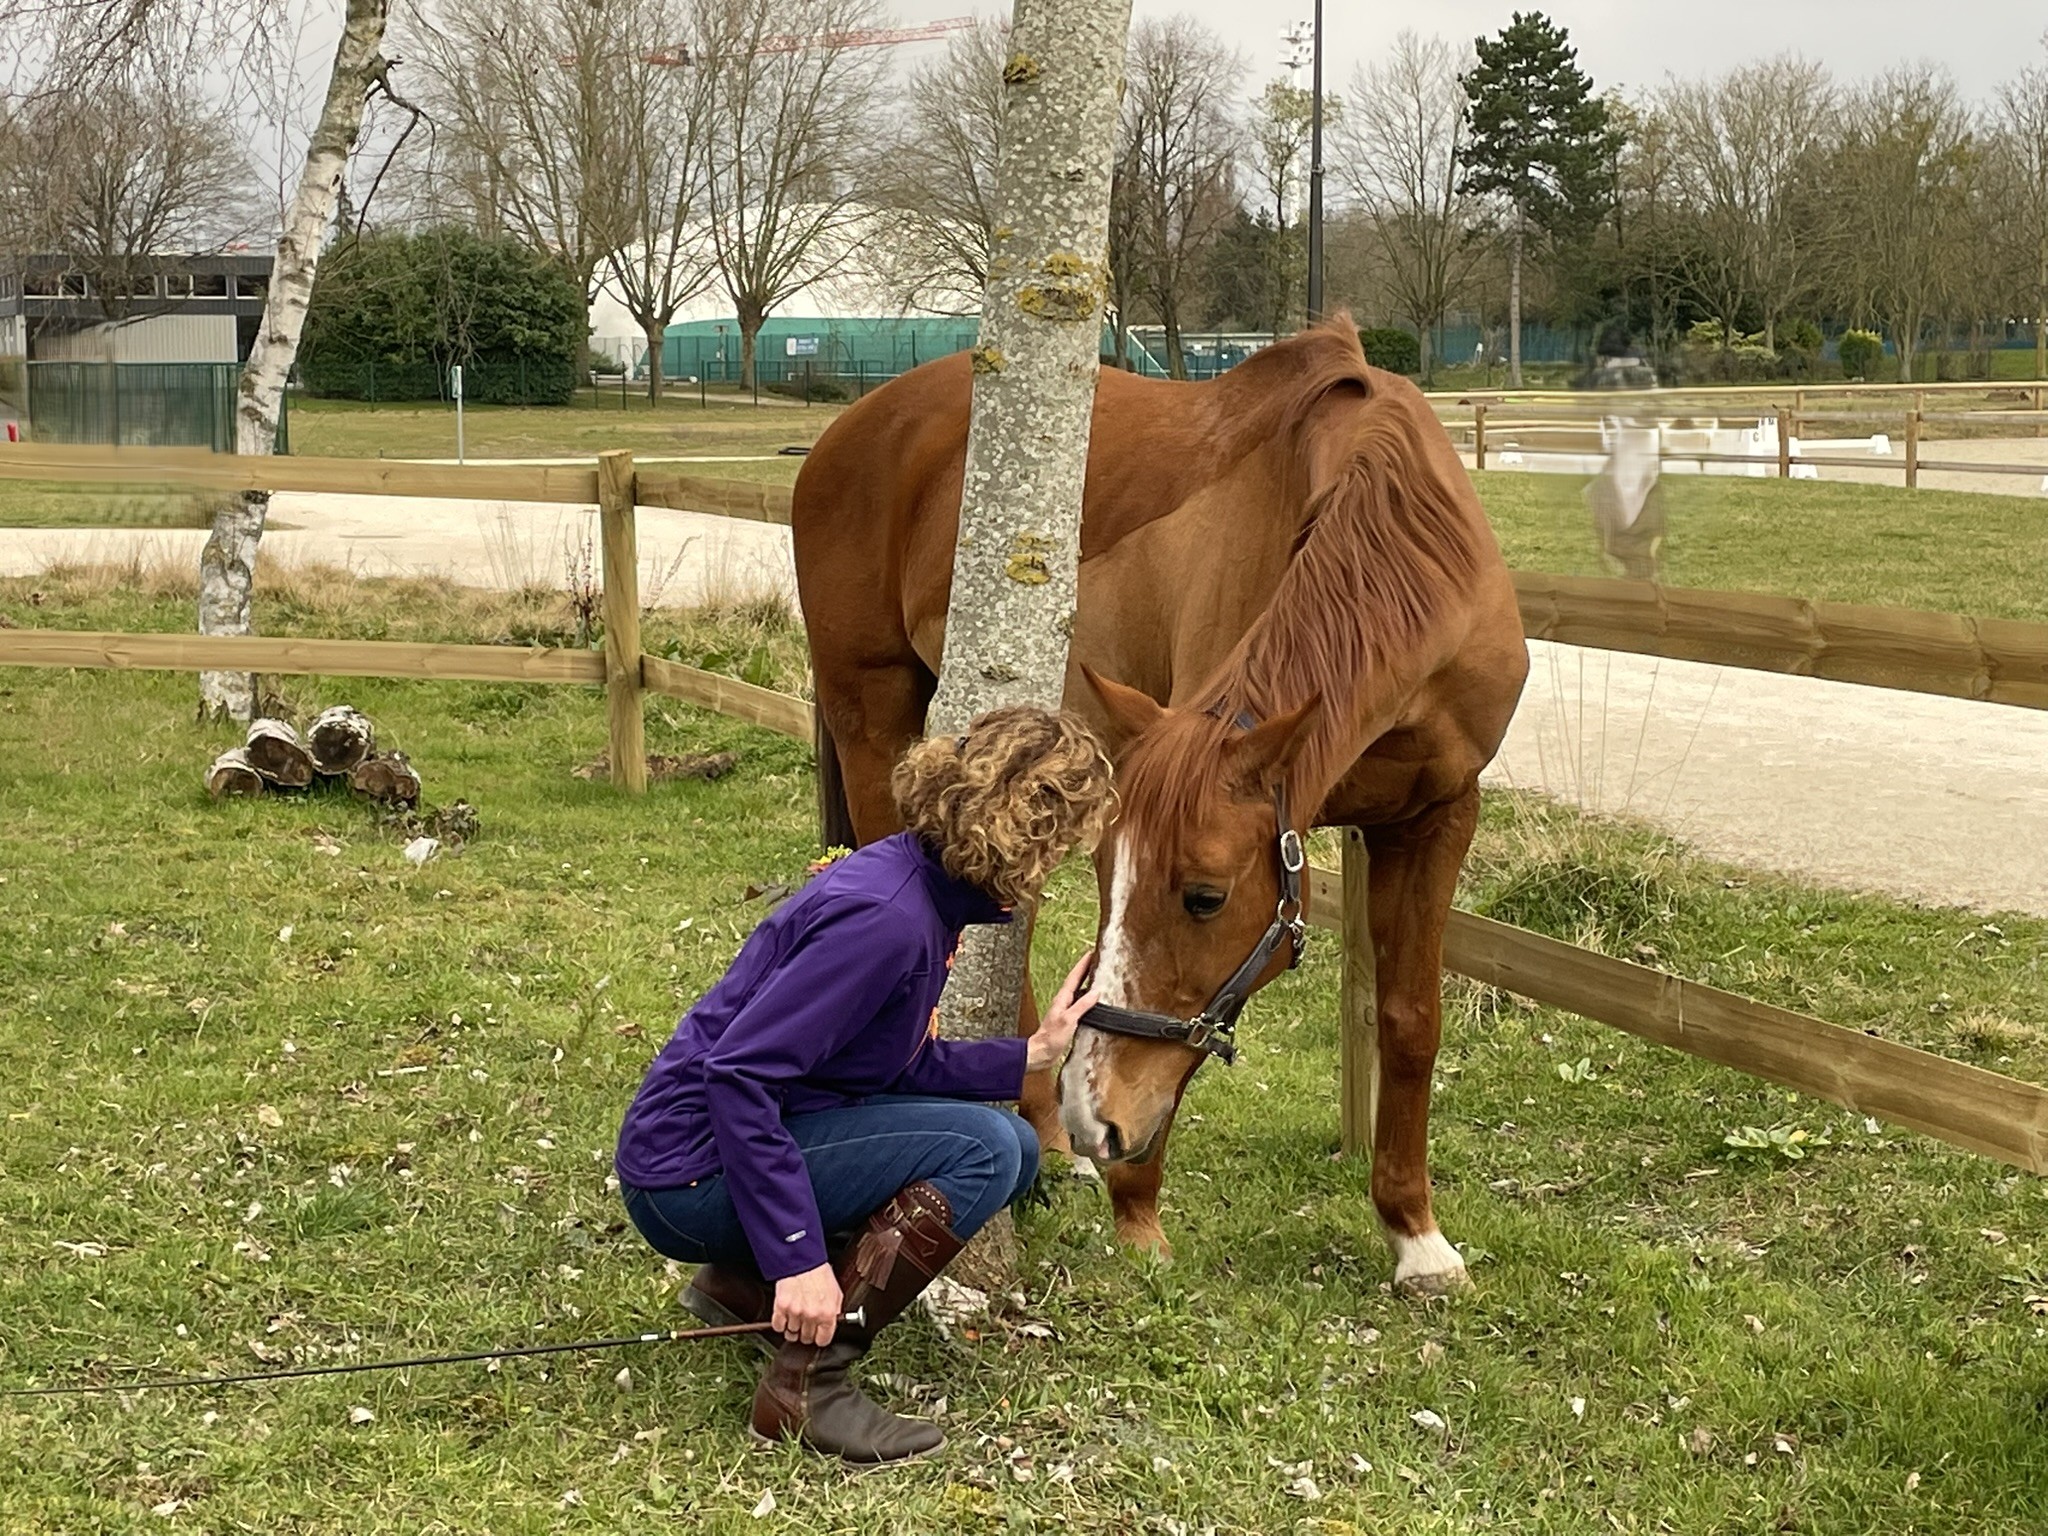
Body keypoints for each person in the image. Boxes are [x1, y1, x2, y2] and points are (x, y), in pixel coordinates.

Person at [615, 706, 1113, 1463]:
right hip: (686, 1176)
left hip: (714, 1154)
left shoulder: (922, 891)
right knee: (983, 1149)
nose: (1054, 870)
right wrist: (798, 1261)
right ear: (1018, 830)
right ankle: (805, 1383)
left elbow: (878, 1063)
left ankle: (736, 1287)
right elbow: (740, 1076)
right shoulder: (885, 920)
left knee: (1010, 1144)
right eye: (1058, 845)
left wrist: (1033, 1055)